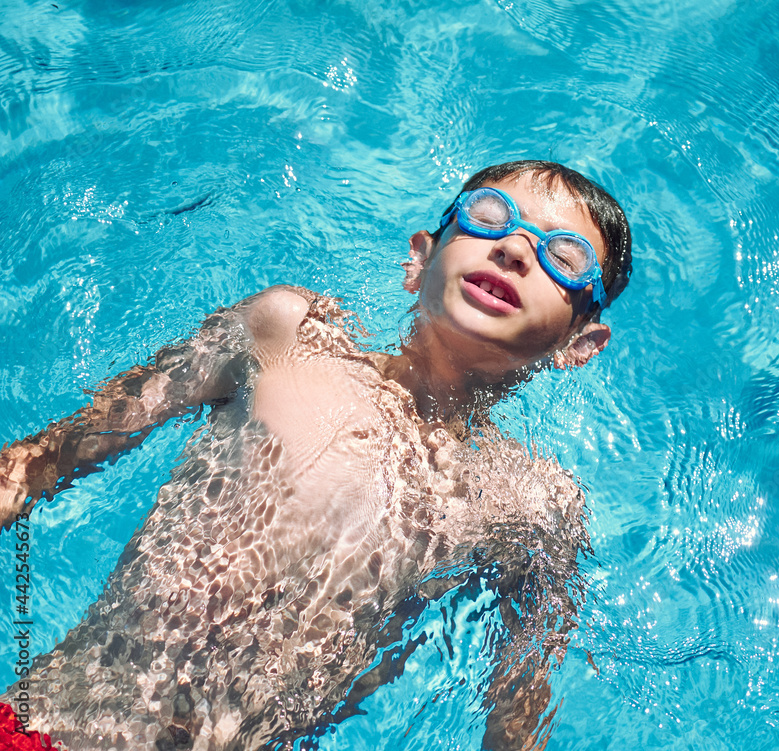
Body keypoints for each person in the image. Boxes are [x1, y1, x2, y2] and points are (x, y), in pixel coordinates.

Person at [0, 160, 632, 750]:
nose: (515, 249)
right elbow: (47, 458)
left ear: (580, 344)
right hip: (54, 728)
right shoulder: (287, 333)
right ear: (419, 259)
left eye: (563, 257)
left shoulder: (533, 503)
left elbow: (521, 696)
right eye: (488, 218)